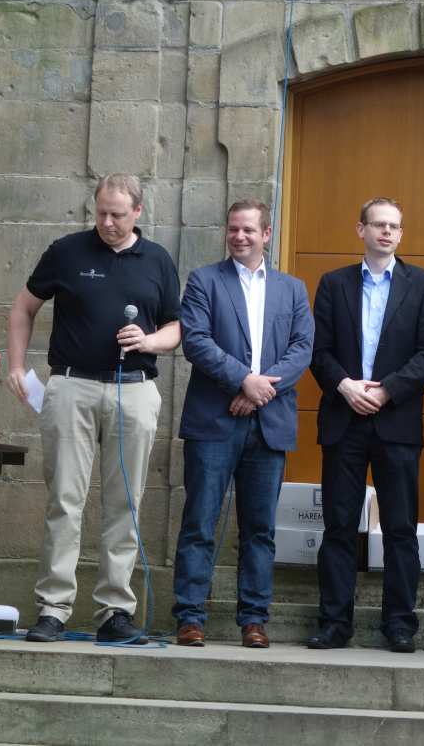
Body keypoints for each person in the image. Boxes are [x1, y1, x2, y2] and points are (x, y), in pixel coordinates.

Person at [6, 173, 181, 644]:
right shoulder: (67, 251)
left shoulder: (158, 259)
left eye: (116, 215)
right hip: (72, 387)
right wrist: (18, 366)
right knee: (64, 500)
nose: (106, 222)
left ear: (138, 212)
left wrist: (149, 341)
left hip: (134, 389)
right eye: (100, 212)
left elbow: (176, 326)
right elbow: (23, 307)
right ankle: (53, 609)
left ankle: (114, 613)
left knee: (125, 502)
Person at [171, 199, 314, 649]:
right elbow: (196, 341)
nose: (239, 236)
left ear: (266, 234)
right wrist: (243, 380)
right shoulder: (204, 281)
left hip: (268, 424)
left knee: (260, 529)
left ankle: (254, 619)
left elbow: (302, 349)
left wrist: (258, 391)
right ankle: (190, 617)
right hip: (213, 422)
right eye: (233, 229)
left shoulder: (292, 289)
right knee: (200, 521)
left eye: (249, 230)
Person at [306, 197, 424, 654]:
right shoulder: (334, 284)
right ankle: (334, 623)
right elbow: (318, 349)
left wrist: (386, 392)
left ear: (401, 234)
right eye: (378, 224)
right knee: (339, 527)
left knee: (400, 528)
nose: (386, 232)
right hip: (343, 419)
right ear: (360, 229)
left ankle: (400, 624)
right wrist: (344, 386)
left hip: (397, 422)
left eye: (394, 226)